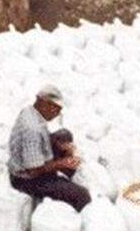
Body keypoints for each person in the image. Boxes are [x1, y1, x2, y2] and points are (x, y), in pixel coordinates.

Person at [7, 84, 91, 212]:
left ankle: (65, 174)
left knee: (64, 135)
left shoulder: (29, 111)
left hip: (29, 161)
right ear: (44, 103)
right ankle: (61, 184)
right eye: (56, 110)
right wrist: (61, 163)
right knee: (82, 196)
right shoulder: (33, 129)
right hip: (26, 180)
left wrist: (56, 143)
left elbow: (38, 139)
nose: (57, 114)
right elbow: (34, 171)